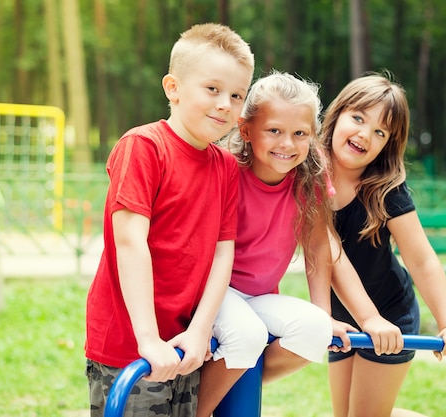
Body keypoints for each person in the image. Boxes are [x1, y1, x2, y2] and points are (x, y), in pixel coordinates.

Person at [84, 23, 255, 417]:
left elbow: (221, 254)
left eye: (236, 95)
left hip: (184, 340)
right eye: (212, 89)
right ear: (173, 88)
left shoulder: (226, 168)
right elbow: (129, 242)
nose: (225, 104)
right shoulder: (144, 147)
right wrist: (147, 338)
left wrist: (200, 330)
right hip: (129, 341)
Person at [196, 70, 359, 417]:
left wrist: (324, 314)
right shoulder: (227, 171)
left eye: (299, 133)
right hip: (216, 289)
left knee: (314, 331)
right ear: (246, 130)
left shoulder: (311, 176)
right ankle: (197, 411)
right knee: (246, 334)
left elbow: (317, 247)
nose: (287, 143)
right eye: (274, 131)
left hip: (261, 295)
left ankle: (232, 375)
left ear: (312, 136)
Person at [321, 73, 446, 417]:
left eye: (380, 132)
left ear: (388, 144)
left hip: (389, 314)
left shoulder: (384, 189)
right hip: (343, 317)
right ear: (337, 114)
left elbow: (421, 260)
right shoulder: (308, 173)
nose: (364, 134)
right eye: (358, 118)